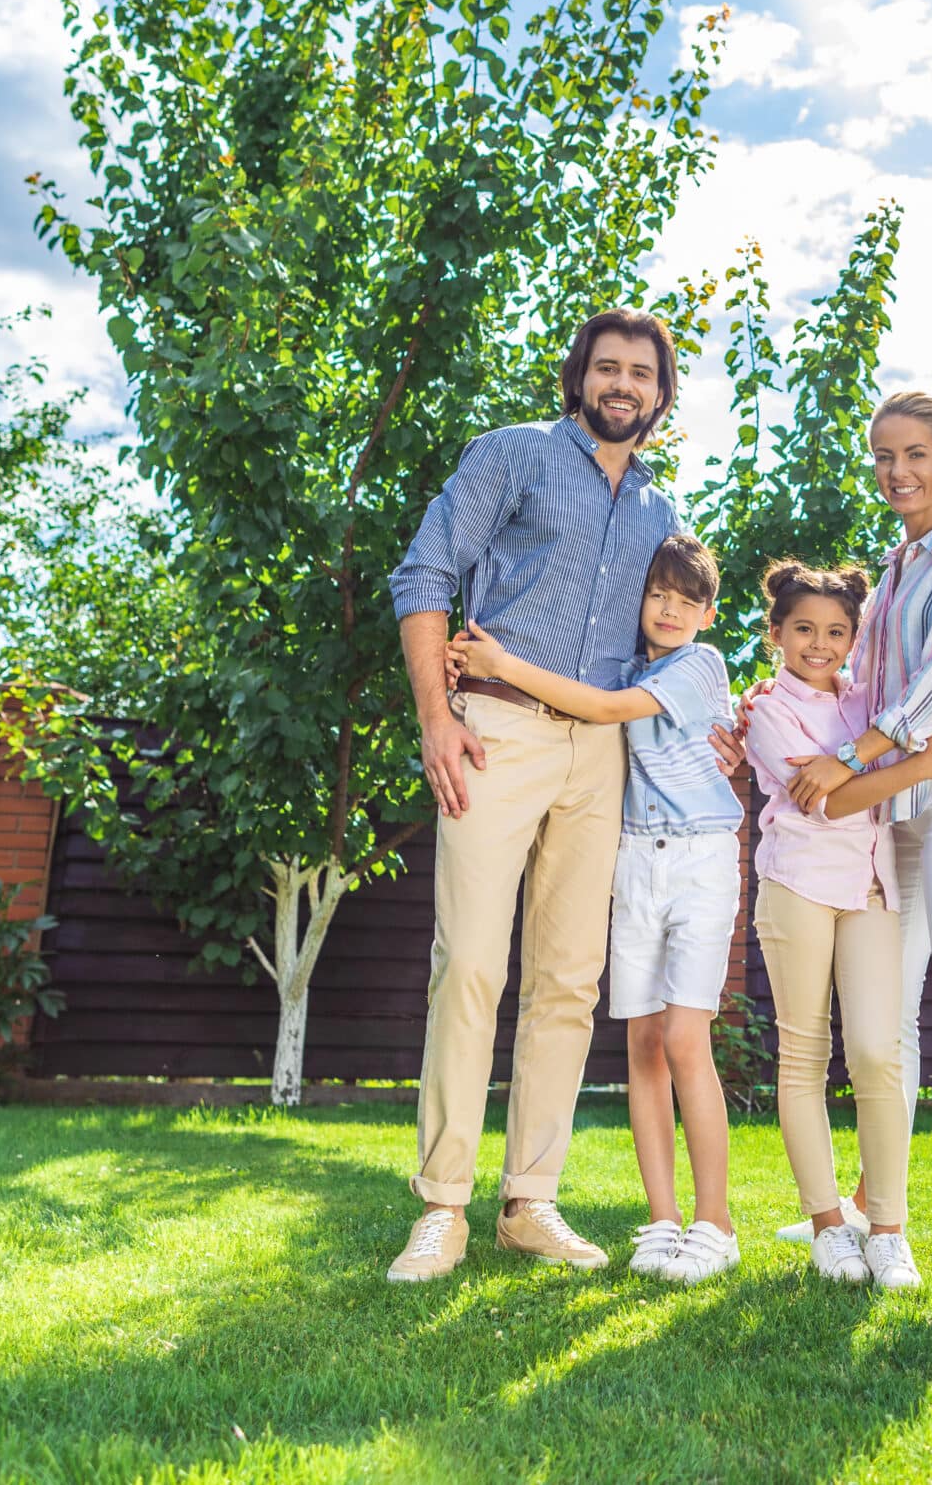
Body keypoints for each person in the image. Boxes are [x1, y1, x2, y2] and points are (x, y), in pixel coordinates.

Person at [382, 308, 682, 1283]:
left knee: (567, 981)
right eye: (607, 368)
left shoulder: (659, 514)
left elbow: (670, 647)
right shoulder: (512, 456)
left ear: (661, 393)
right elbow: (424, 571)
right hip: (495, 730)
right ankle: (443, 1208)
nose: (623, 384)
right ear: (579, 378)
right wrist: (437, 716)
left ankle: (530, 1203)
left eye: (641, 372)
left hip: (599, 753)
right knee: (469, 961)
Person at [444, 534, 747, 1284]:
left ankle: (716, 1220)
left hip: (701, 857)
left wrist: (503, 664)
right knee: (642, 1043)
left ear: (709, 613)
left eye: (687, 599)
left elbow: (608, 708)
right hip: (639, 854)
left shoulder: (697, 665)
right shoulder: (637, 661)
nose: (670, 609)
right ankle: (664, 1217)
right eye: (659, 595)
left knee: (684, 1036)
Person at [781, 390, 932, 1302]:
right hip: (893, 814)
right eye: (884, 455)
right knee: (887, 1026)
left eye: (916, 453)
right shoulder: (883, 578)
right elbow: (846, 683)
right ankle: (873, 1210)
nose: (898, 472)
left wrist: (849, 755)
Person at [744, 560, 932, 1290]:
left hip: (871, 888)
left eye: (835, 631)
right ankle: (828, 1226)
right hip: (796, 885)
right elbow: (832, 800)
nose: (819, 644)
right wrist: (923, 765)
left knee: (879, 1054)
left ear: (854, 637)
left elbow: (920, 732)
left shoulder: (869, 706)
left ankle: (888, 1230)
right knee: (804, 1055)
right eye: (803, 630)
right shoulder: (764, 711)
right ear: (777, 635)